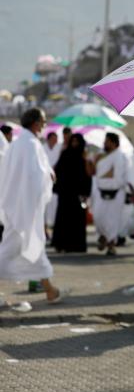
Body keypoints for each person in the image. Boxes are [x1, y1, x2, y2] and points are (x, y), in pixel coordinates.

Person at [0, 108, 65, 302]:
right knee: (13, 249)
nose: (45, 126)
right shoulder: (29, 144)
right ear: (36, 123)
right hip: (23, 209)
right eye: (43, 122)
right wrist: (49, 176)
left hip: (18, 206)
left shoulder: (20, 143)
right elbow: (34, 177)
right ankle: (50, 290)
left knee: (34, 248)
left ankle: (50, 290)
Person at [52, 133, 93, 253]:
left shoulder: (84, 157)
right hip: (65, 193)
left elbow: (88, 176)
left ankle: (77, 246)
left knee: (77, 221)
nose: (75, 144)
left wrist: (86, 192)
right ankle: (61, 244)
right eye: (73, 141)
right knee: (63, 219)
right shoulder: (65, 154)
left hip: (78, 194)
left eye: (77, 142)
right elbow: (58, 171)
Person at [91, 132, 129, 256]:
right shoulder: (102, 156)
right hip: (100, 191)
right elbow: (96, 174)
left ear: (113, 143)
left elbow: (118, 178)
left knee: (112, 221)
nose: (104, 143)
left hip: (115, 194)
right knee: (98, 217)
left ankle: (111, 245)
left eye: (107, 141)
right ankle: (102, 236)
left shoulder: (120, 157)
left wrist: (107, 178)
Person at [43, 131, 62, 233]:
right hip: (44, 179)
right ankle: (45, 228)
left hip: (56, 180)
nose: (55, 141)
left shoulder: (59, 148)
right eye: (53, 138)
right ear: (49, 139)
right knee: (44, 205)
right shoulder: (42, 147)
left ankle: (53, 227)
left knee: (54, 204)